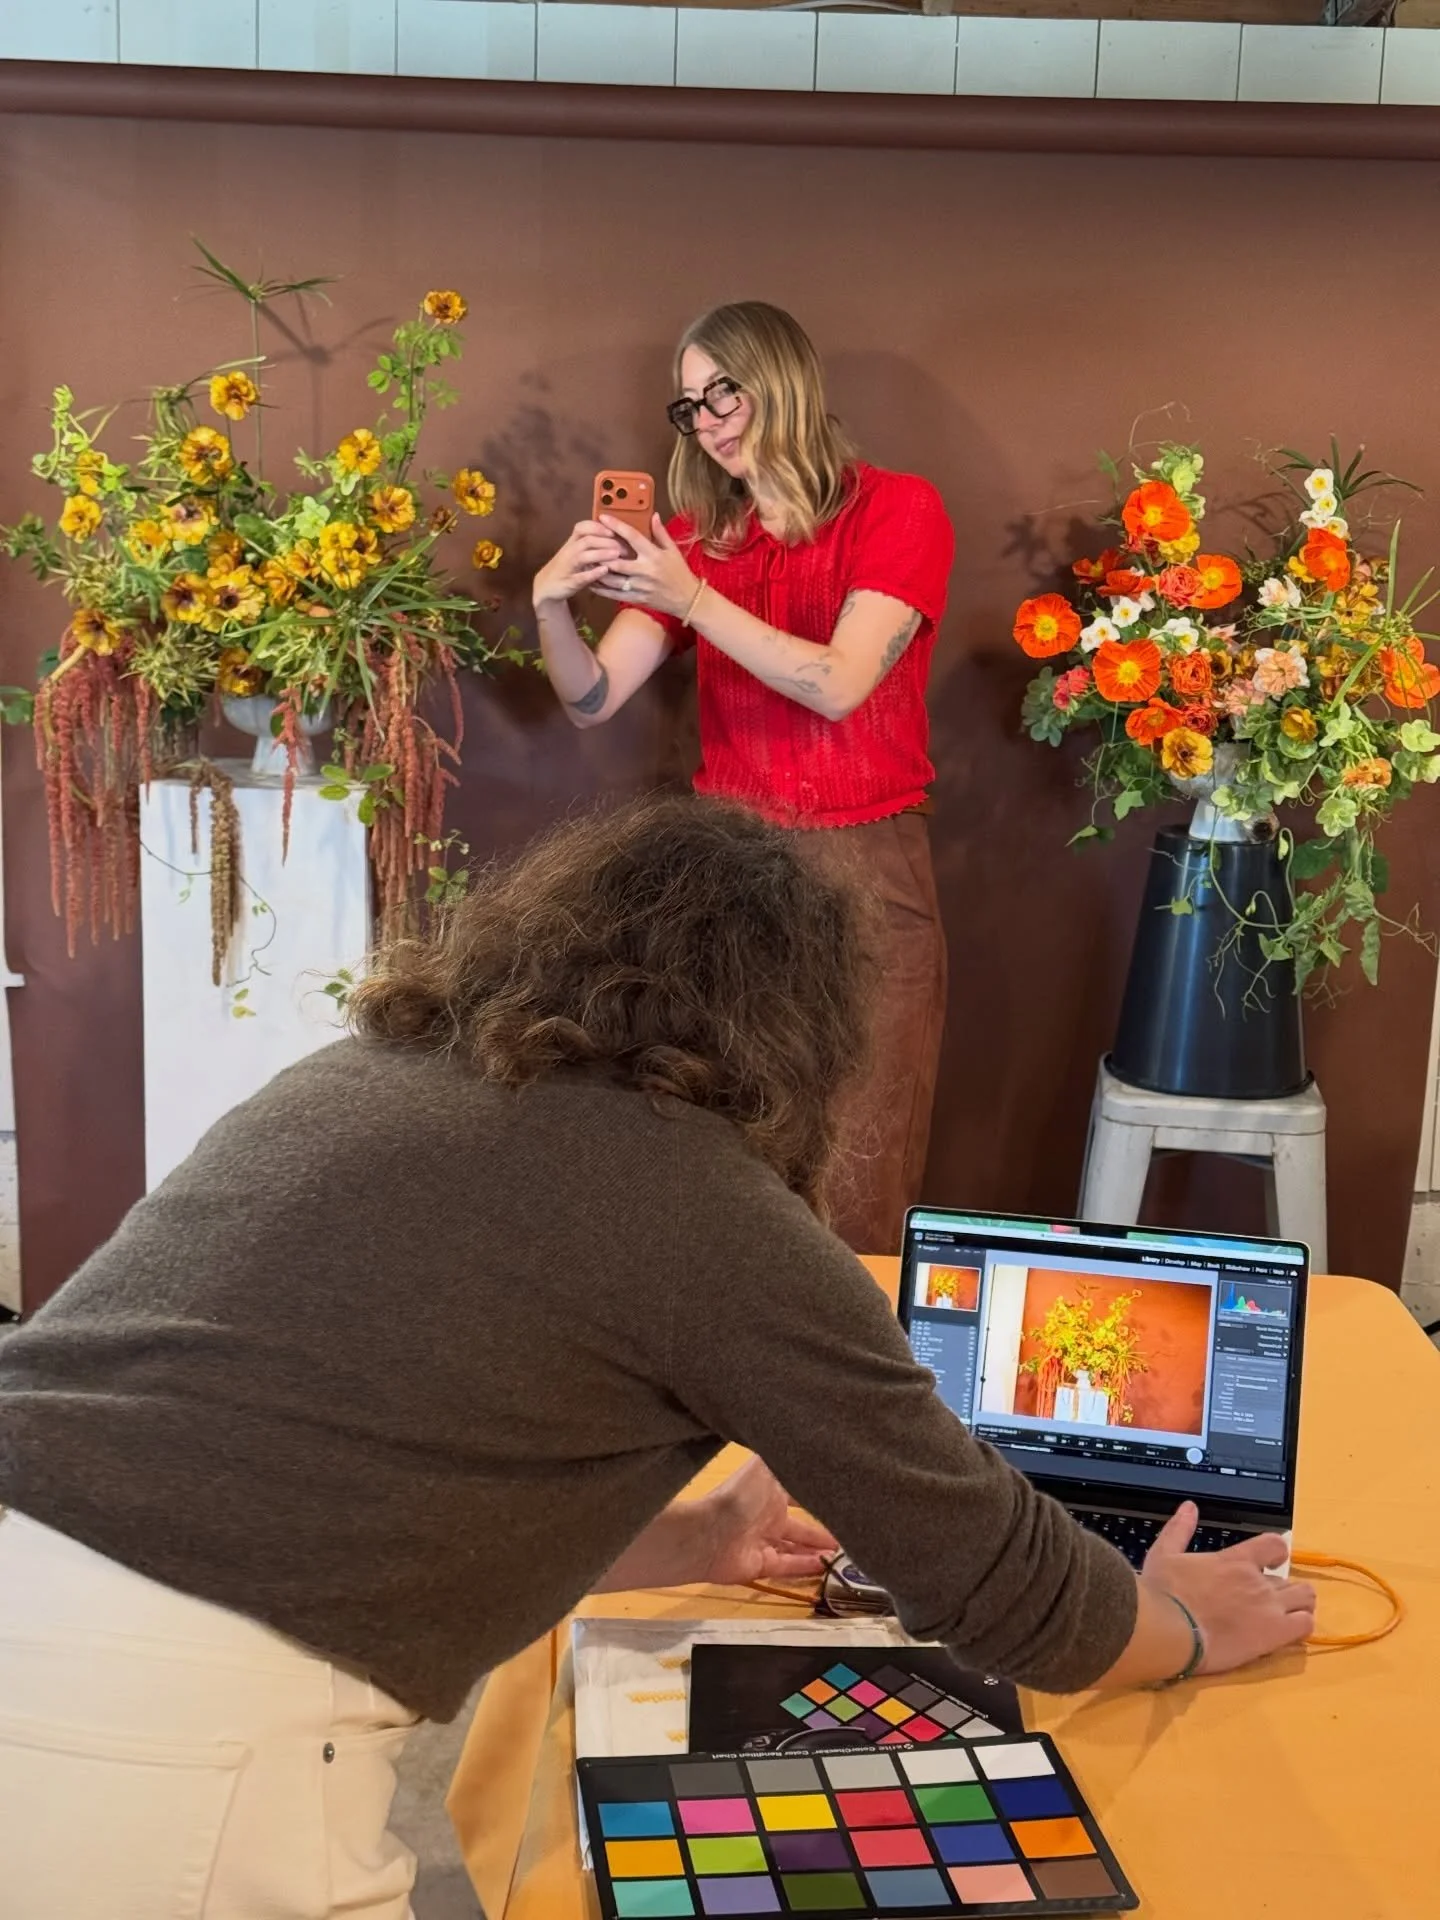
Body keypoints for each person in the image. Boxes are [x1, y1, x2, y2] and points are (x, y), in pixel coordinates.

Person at [0, 797, 1315, 1920]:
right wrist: (1196, 1625)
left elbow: (364, 1464)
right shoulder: (703, 1206)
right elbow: (1008, 1588)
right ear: (797, 1030)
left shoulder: (349, 1082)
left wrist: (687, 1544)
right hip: (171, 1734)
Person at [534, 301, 954, 1256]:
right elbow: (594, 698)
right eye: (690, 405)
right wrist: (551, 606)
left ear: (787, 378)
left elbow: (841, 684)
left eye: (726, 389)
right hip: (727, 876)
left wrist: (690, 595)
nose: (711, 419)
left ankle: (848, 1390)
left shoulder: (898, 509)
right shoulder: (695, 538)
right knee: (727, 1154)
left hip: (866, 870)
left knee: (865, 1161)